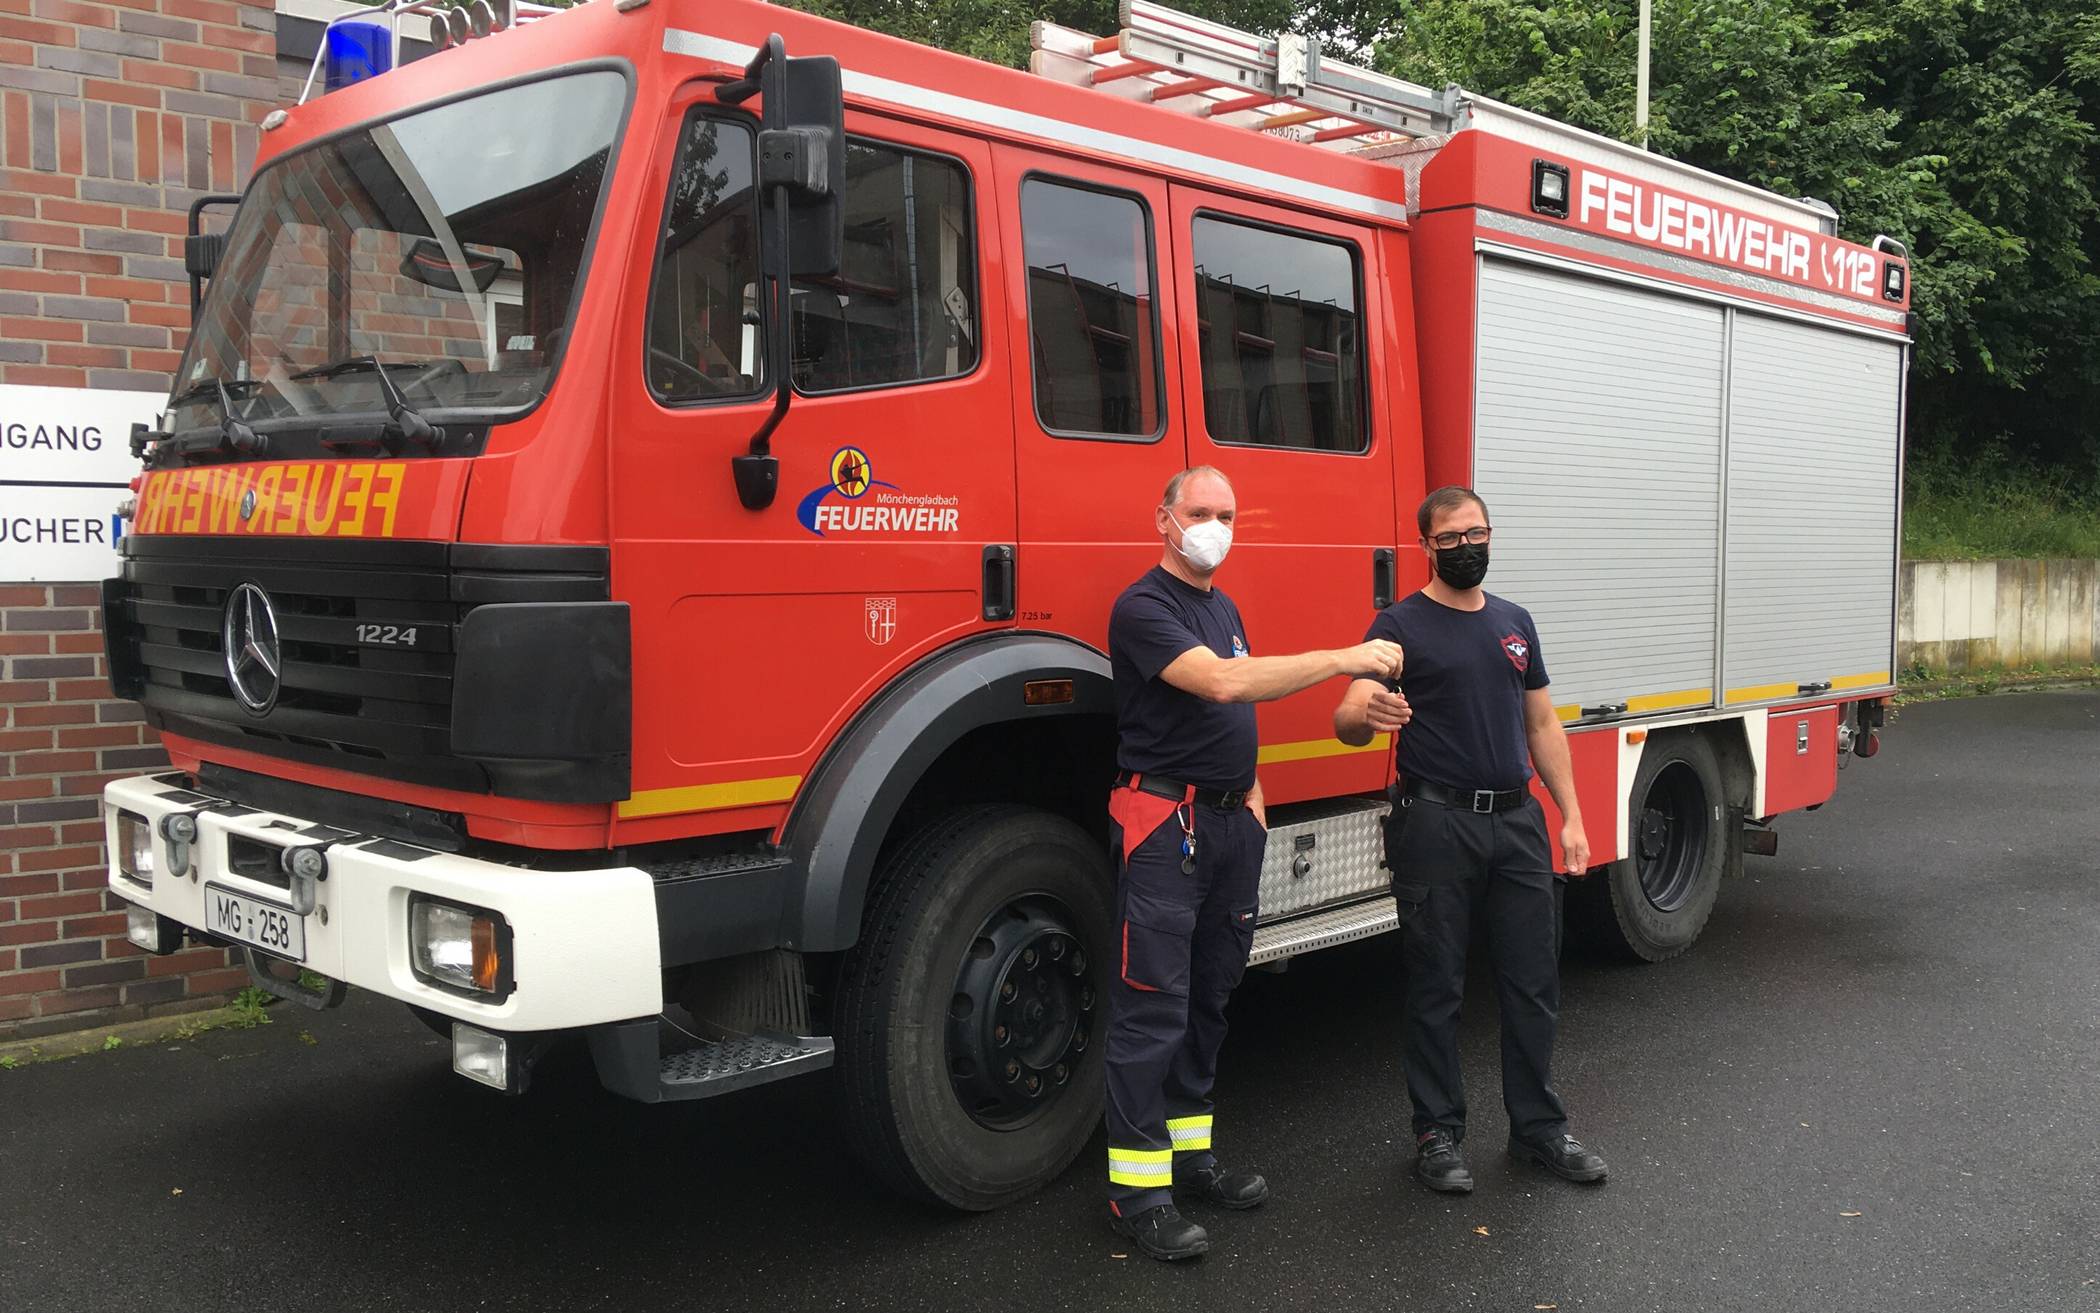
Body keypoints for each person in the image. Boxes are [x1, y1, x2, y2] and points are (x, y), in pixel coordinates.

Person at [1104, 465, 1406, 1261]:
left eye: (1227, 513)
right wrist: (1344, 656)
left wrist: (1254, 798)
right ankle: (1137, 1193)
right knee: (1151, 1012)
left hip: (1230, 826)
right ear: (1163, 518)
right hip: (1167, 828)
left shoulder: (1222, 604)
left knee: (1209, 1000)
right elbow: (1225, 683)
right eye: (1199, 511)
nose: (1214, 524)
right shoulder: (1143, 606)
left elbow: (1232, 721)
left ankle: (1190, 1160)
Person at [1332, 485, 1608, 1194]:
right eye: (1449, 537)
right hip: (1435, 820)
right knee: (1435, 984)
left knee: (1532, 981)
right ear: (1424, 544)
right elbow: (1345, 717)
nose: (1465, 547)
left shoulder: (1515, 623)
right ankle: (1436, 1134)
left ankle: (1539, 1131)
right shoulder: (1398, 626)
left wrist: (1571, 814)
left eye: (1475, 533)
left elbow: (1542, 725)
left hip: (1518, 821)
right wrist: (1371, 710)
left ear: (1491, 534)